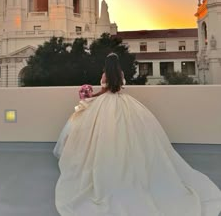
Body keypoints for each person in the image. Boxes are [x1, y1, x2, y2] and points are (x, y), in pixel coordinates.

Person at [55, 53, 221, 216]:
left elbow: (104, 91)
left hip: (105, 104)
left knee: (104, 136)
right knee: (132, 136)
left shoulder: (105, 74)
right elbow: (118, 89)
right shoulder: (119, 74)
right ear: (117, 64)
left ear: (106, 64)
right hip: (123, 102)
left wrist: (91, 97)